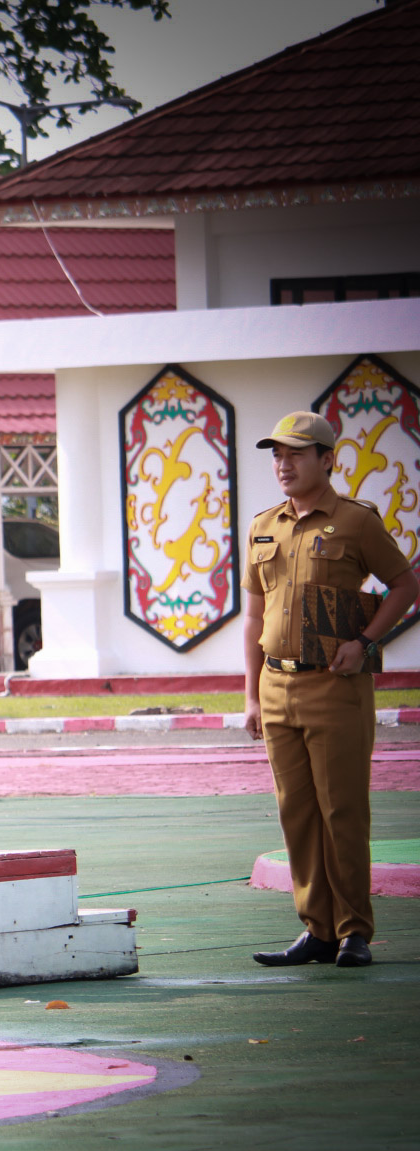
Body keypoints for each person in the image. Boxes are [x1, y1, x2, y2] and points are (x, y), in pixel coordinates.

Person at [244, 412, 417, 970]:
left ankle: (353, 931)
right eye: (277, 454)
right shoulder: (263, 525)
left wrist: (365, 643)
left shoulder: (356, 523)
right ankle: (316, 928)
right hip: (276, 685)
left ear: (328, 460)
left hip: (336, 687)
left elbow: (405, 585)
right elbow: (254, 618)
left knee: (342, 809)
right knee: (296, 811)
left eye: (296, 454)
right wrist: (250, 695)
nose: (283, 464)